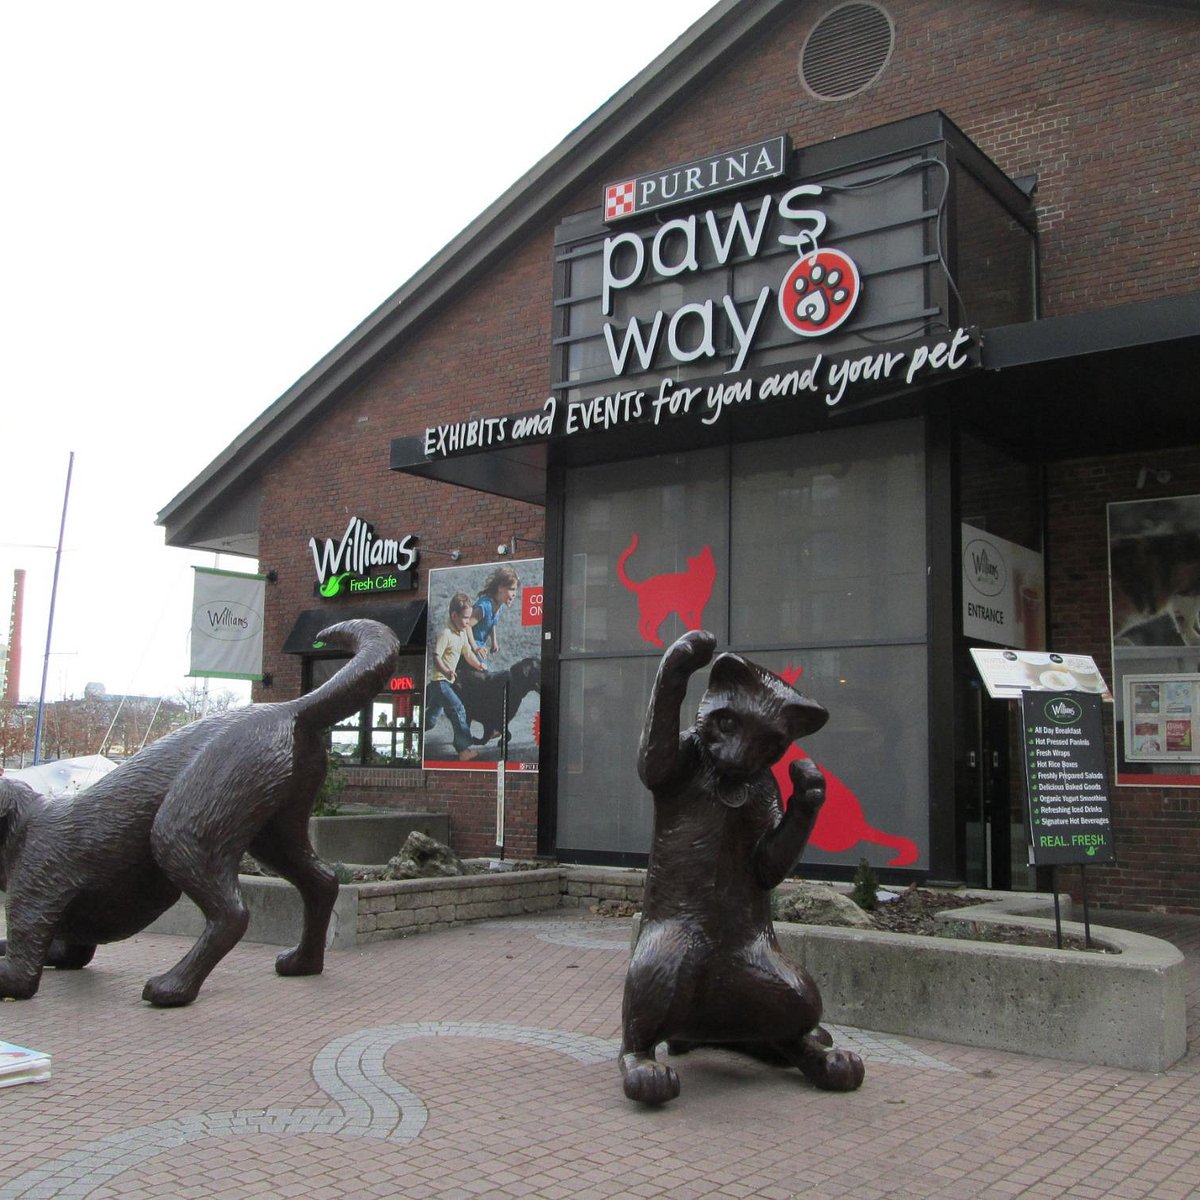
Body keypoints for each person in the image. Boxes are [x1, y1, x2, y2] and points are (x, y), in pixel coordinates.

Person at [425, 592, 486, 760]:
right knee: (458, 709)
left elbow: (467, 654)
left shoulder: (462, 634)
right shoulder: (446, 634)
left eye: (469, 618)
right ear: (454, 615)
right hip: (440, 682)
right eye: (465, 618)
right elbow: (436, 656)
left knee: (431, 719)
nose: (468, 622)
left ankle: (414, 729)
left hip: (445, 683)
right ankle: (463, 750)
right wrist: (445, 670)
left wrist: (479, 665)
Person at [471, 566, 520, 663]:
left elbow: (492, 622)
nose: (515, 594)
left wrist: (494, 641)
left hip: (481, 645)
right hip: (469, 647)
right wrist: (475, 648)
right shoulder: (484, 607)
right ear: (500, 587)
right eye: (511, 589)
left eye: (516, 590)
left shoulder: (499, 605)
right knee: (483, 671)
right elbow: (466, 626)